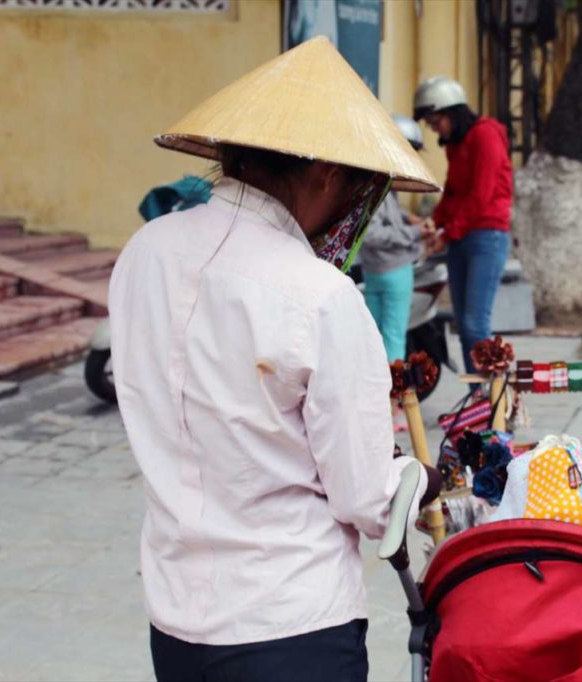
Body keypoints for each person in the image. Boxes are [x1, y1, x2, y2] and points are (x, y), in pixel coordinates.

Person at [108, 37, 441, 682]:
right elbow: (368, 498)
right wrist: (419, 478)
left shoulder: (145, 251)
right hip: (290, 625)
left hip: (175, 622)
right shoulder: (320, 296)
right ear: (328, 174)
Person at [414, 76, 513, 374]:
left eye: (436, 121)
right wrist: (436, 222)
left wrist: (447, 234)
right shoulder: (457, 145)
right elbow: (454, 192)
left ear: (452, 111)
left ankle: (491, 399)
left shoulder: (485, 136)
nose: (434, 129)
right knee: (464, 322)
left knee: (475, 322)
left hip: (486, 236)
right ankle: (476, 396)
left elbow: (480, 196)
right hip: (463, 237)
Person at [359, 114, 433, 364]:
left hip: (373, 270)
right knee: (392, 340)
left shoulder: (375, 179)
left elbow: (383, 216)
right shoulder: (379, 182)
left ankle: (379, 397)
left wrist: (408, 217)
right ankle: (393, 398)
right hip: (393, 271)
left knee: (372, 341)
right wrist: (415, 232)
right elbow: (374, 233)